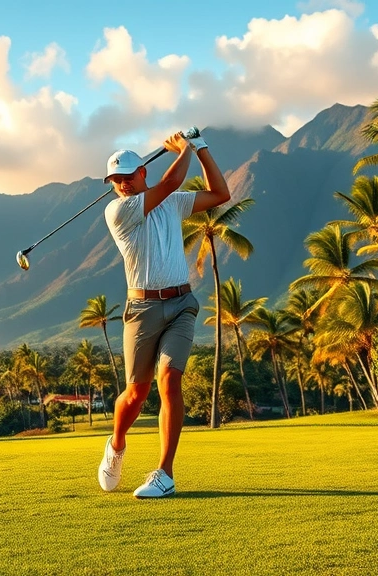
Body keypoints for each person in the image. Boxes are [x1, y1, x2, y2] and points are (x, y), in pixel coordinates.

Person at [98, 127, 230, 498]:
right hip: (141, 309)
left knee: (170, 379)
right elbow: (171, 183)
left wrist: (201, 149)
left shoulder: (170, 203)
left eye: (128, 176)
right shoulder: (118, 210)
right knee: (135, 394)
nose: (122, 184)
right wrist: (184, 149)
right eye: (116, 180)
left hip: (180, 305)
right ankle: (117, 444)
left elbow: (221, 193)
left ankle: (164, 473)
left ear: (142, 172)